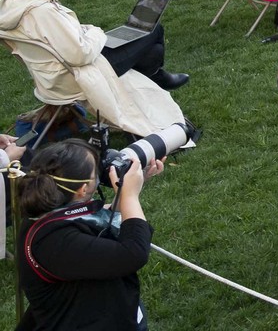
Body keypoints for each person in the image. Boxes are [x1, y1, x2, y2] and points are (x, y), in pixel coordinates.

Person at [0, 0, 186, 135]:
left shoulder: (12, 5)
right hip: (78, 74)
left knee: (149, 46)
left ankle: (156, 75)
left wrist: (86, 32)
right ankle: (156, 75)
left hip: (52, 77)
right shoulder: (41, 11)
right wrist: (97, 32)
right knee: (152, 30)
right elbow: (80, 55)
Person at [15, 139, 165, 331]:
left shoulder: (52, 210)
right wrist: (129, 196)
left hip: (96, 312)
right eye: (97, 172)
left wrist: (132, 186)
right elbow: (133, 252)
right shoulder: (53, 241)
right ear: (83, 189)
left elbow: (97, 218)